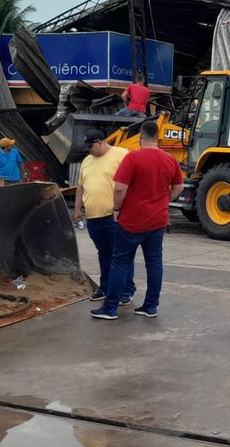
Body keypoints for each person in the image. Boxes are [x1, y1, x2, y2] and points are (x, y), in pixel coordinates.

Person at [92, 120, 183, 320]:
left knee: (120, 261)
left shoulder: (133, 157)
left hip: (133, 221)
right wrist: (163, 201)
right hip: (158, 222)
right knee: (154, 263)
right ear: (157, 137)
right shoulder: (170, 159)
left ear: (140, 137)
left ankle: (110, 308)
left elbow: (119, 188)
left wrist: (116, 208)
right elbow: (179, 187)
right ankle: (150, 306)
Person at [75, 129, 136, 309]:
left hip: (114, 216)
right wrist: (77, 209)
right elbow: (80, 187)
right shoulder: (87, 161)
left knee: (121, 254)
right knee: (104, 253)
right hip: (94, 217)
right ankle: (106, 287)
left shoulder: (121, 155)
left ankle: (127, 290)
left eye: (91, 147)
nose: (89, 151)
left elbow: (131, 183)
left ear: (100, 142)